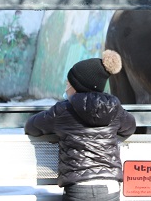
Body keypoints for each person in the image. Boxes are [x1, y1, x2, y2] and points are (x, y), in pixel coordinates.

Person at [25, 50, 137, 201]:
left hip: (79, 189)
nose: (66, 87)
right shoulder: (115, 108)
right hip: (110, 187)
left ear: (78, 86)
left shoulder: (63, 110)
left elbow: (31, 126)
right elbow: (130, 127)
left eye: (68, 83)